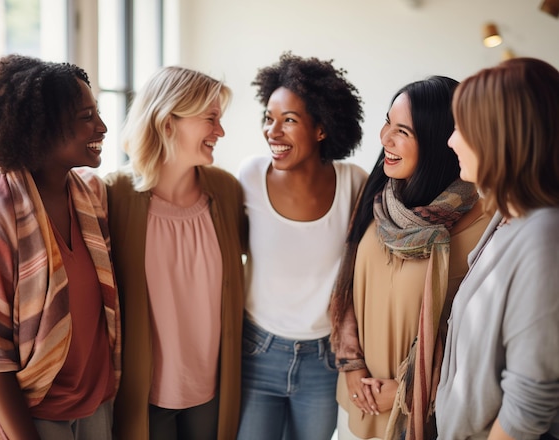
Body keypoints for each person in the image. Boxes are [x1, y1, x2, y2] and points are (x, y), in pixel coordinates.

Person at [0, 54, 121, 440]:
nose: (102, 127)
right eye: (86, 116)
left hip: (94, 406)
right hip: (34, 417)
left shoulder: (90, 198)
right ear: (42, 128)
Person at [330, 76, 490, 440]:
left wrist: (406, 390)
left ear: (438, 141)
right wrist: (351, 365)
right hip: (355, 402)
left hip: (414, 417)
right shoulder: (378, 196)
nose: (385, 138)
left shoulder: (482, 227)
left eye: (403, 131)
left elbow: (471, 342)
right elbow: (347, 290)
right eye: (388, 122)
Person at [104, 65, 246, 440]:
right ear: (168, 122)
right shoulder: (112, 195)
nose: (221, 131)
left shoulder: (226, 191)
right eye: (210, 119)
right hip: (143, 393)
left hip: (212, 388)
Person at [236, 52, 367, 440]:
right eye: (269, 119)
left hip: (324, 359)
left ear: (322, 129)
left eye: (289, 120)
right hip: (257, 350)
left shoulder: (354, 184)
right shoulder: (249, 176)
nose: (272, 133)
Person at [435, 57, 559, 440]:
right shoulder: (505, 218)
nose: (451, 140)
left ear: (499, 134)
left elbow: (528, 404)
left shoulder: (544, 238)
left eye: (461, 128)